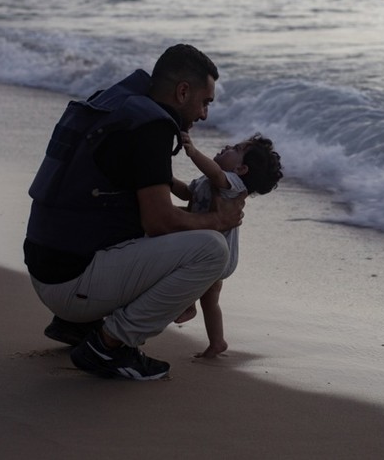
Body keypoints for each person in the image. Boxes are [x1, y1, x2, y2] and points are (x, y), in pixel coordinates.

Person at [24, 44, 246, 380]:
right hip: (71, 282)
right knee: (214, 249)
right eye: (205, 102)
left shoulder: (113, 103)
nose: (204, 115)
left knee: (153, 225)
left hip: (48, 268)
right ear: (183, 92)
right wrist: (219, 221)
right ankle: (109, 344)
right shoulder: (151, 126)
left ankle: (77, 326)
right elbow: (159, 222)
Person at [171, 133, 282, 358]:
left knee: (195, 279)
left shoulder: (232, 185)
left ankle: (187, 305)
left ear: (241, 169)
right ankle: (217, 341)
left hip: (219, 254)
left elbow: (214, 173)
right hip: (214, 253)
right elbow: (185, 193)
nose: (227, 146)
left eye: (236, 149)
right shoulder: (206, 181)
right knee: (211, 301)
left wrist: (193, 151)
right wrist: (166, 178)